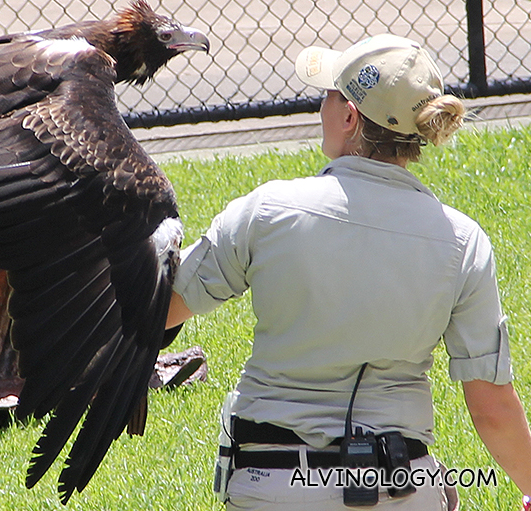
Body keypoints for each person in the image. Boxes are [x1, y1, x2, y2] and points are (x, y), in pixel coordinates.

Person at [166, 34, 531, 510]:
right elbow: (493, 410)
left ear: (349, 116)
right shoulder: (462, 242)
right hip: (402, 489)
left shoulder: (268, 210)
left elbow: (159, 311)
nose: (321, 106)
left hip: (272, 486)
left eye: (329, 94)